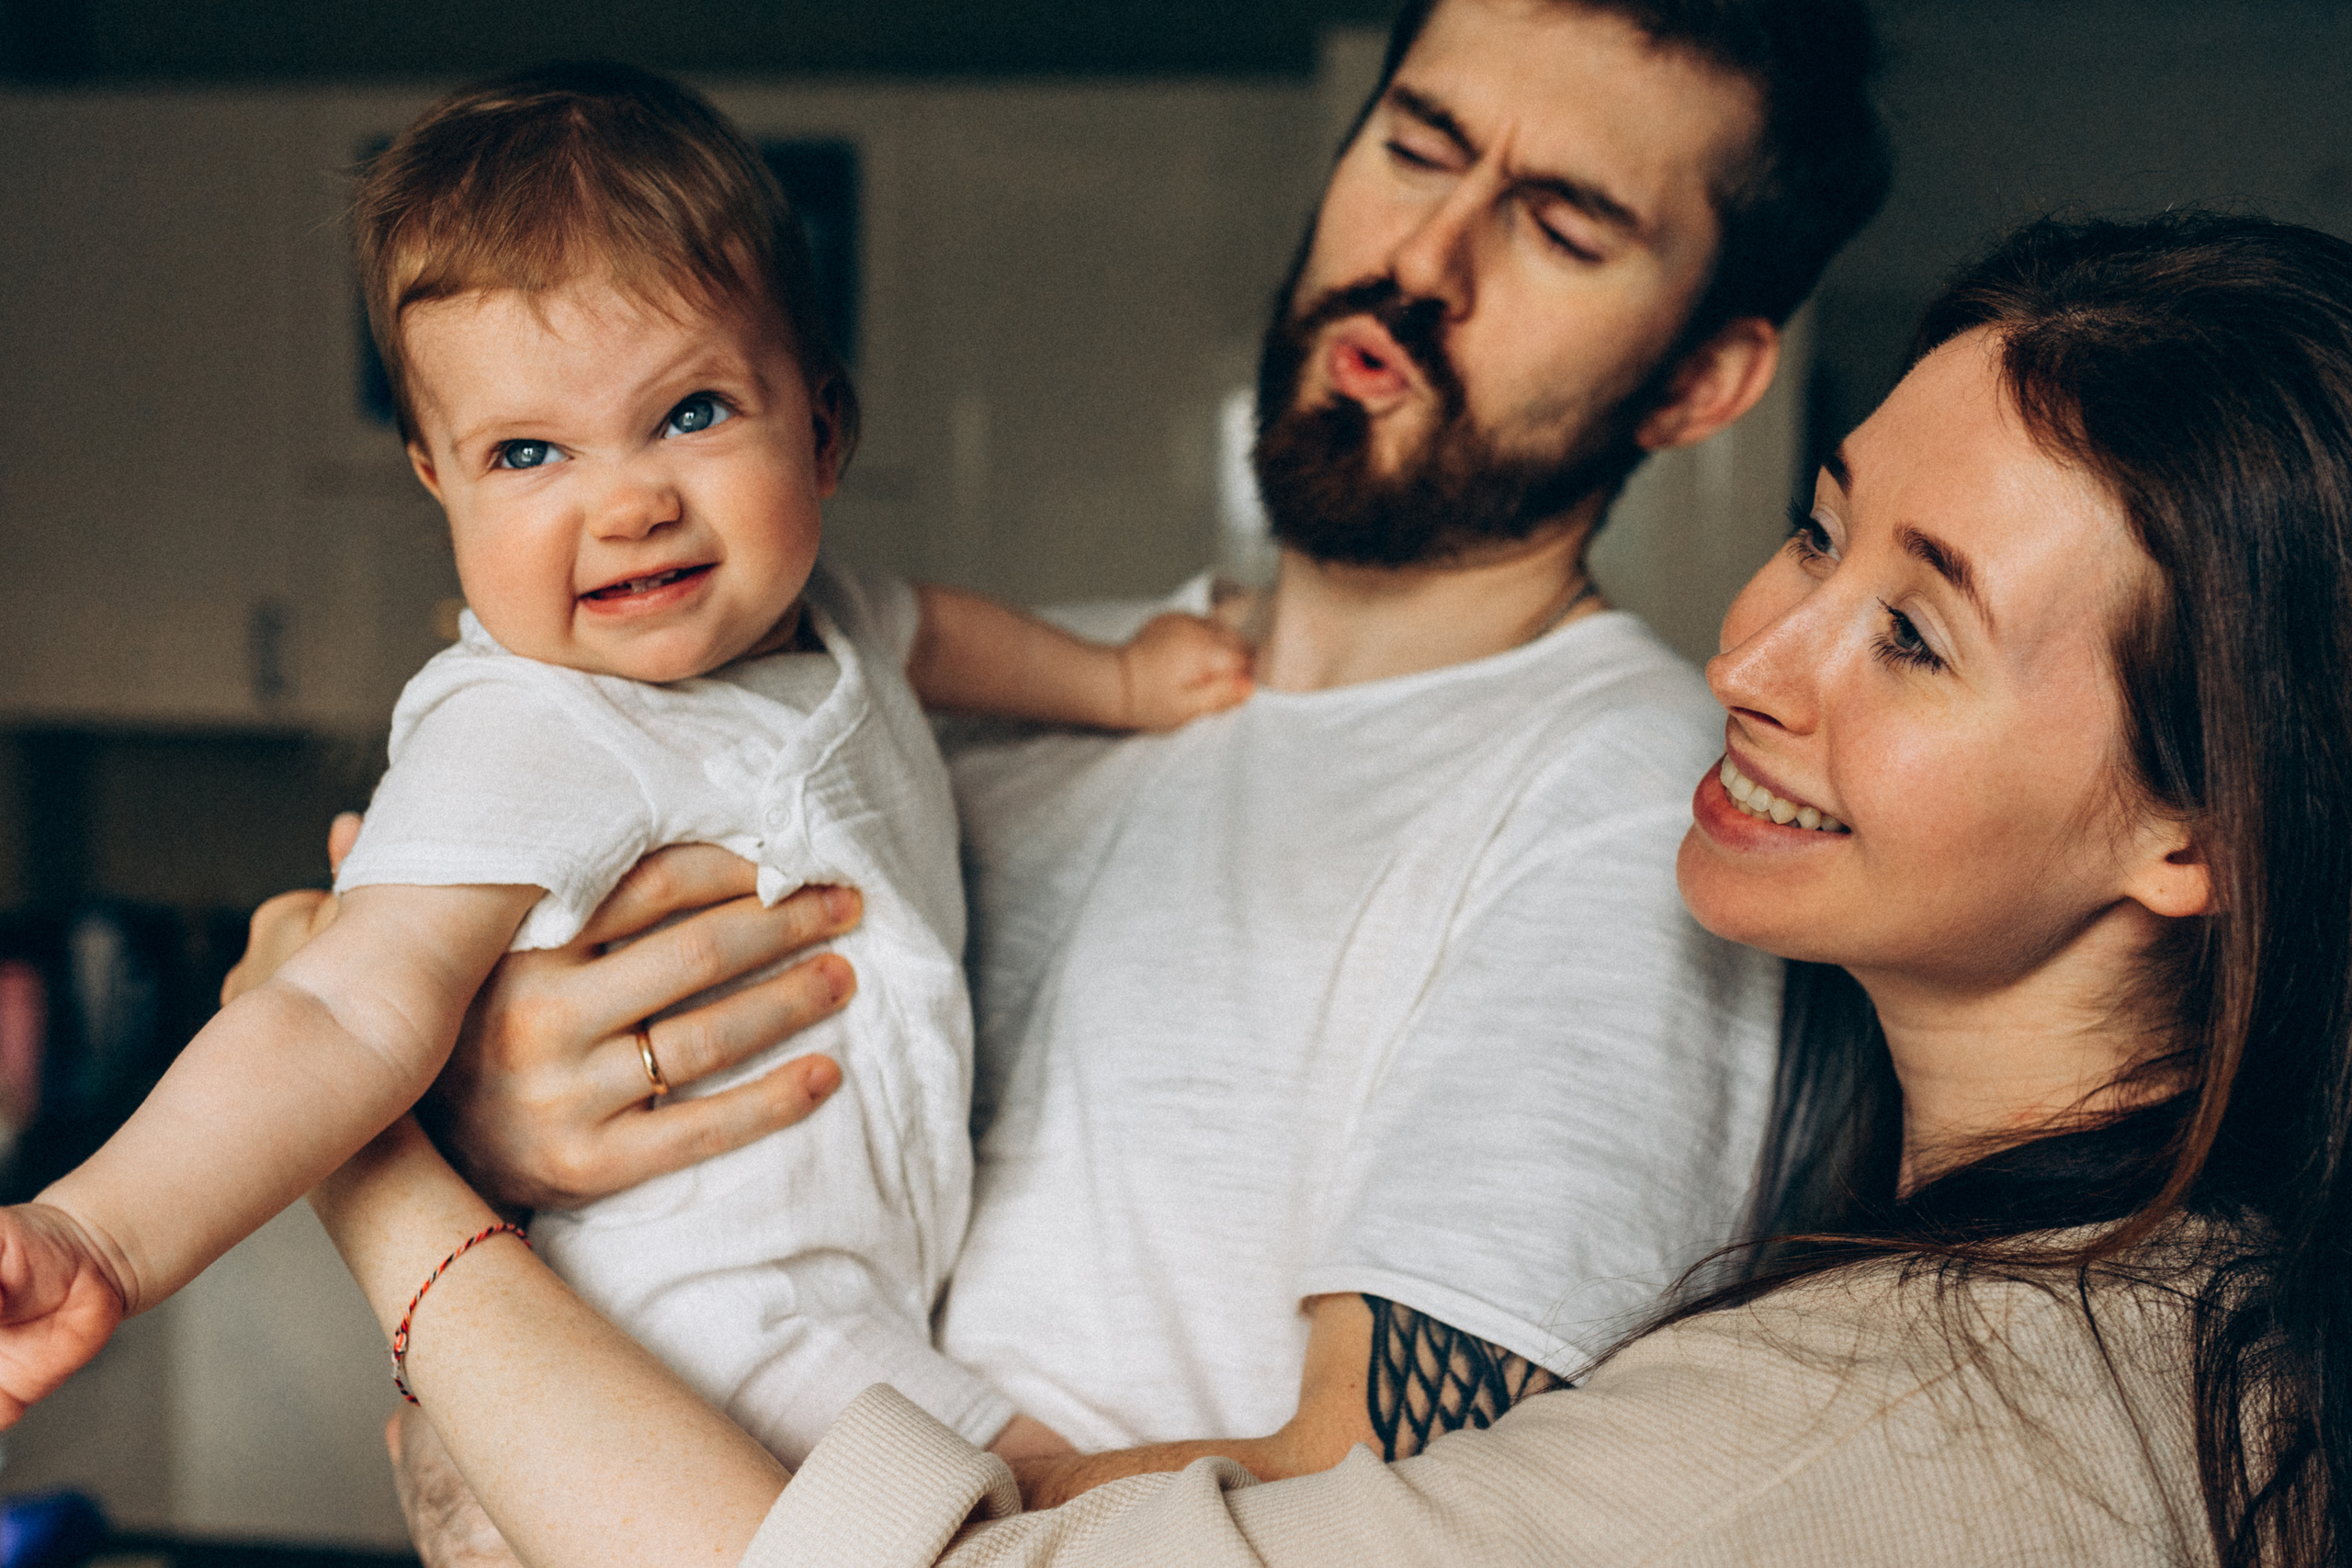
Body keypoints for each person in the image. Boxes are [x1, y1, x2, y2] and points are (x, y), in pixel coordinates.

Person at [304, 209, 2352, 1567]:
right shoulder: (990, 703)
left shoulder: (1933, 1417)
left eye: (1915, 635)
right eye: (1816, 539)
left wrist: (381, 1171)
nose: (1749, 655)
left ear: (2205, 827)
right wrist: (465, 1066)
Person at [300, 4, 1892, 1540]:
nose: (1425, 260)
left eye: (1561, 226)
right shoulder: (966, 692)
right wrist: (469, 1107)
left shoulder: (1631, 806)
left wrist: (396, 1193)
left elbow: (1386, 1500)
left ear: (1706, 381)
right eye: (1420, 147)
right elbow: (342, 988)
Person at [0, 64, 1252, 1458]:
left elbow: (945, 637)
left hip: (872, 1274)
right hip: (699, 1315)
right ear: (439, 480)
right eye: (530, 450)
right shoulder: (528, 725)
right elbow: (342, 1012)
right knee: (1035, 1497)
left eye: (694, 414)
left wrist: (1124, 679)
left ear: (823, 428)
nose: (630, 501)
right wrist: (95, 1231)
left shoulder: (833, 616)